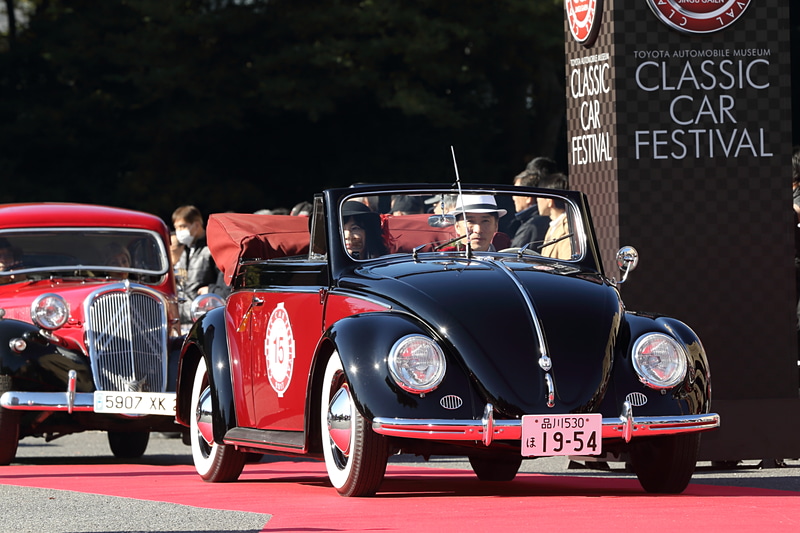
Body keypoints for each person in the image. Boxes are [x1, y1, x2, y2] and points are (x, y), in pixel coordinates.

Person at [172, 205, 220, 330]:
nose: (179, 232)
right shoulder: (183, 250)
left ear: (197, 225)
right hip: (182, 320)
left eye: (183, 226)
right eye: (176, 228)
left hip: (203, 320)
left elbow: (225, 282)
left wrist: (212, 289)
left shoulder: (211, 249)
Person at [510, 170, 551, 250]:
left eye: (516, 192)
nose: (513, 197)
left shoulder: (530, 226)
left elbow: (513, 257)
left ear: (528, 197)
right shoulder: (549, 219)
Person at [537, 173, 572, 260]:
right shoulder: (554, 226)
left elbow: (567, 266)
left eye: (539, 196)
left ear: (549, 201)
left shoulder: (567, 229)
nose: (537, 200)